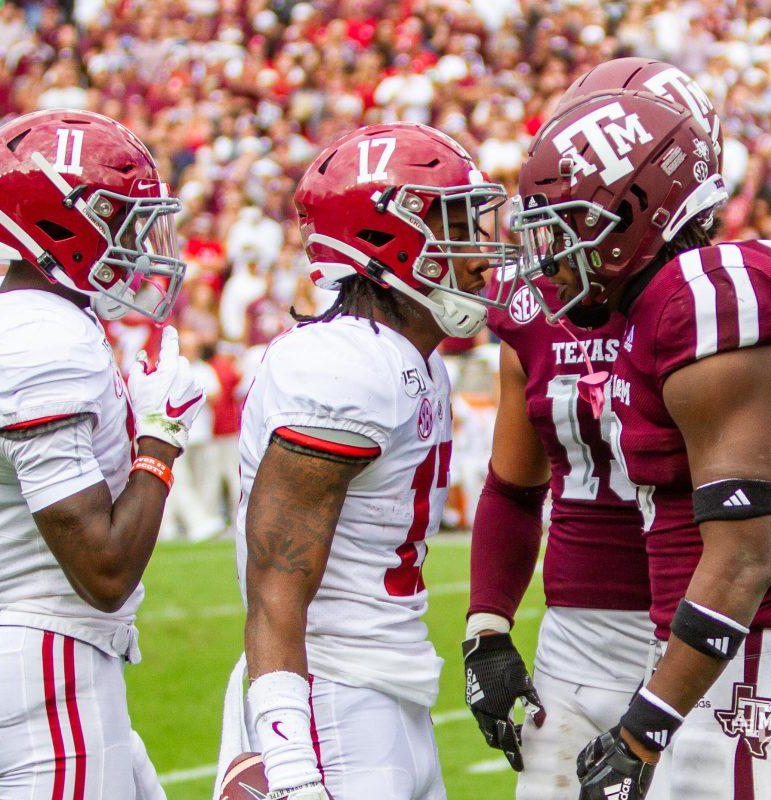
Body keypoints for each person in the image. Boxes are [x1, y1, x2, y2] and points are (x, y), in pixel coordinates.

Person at [510, 87, 771, 800]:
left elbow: (744, 562)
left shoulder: (702, 304)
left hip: (753, 669)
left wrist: (640, 732)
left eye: (565, 228)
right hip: (747, 656)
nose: (550, 257)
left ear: (631, 212)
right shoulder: (683, 298)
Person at [0, 109, 206, 798]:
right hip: (43, 656)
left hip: (33, 651)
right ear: (59, 223)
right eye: (119, 216)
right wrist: (159, 439)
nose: (137, 237)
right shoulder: (37, 341)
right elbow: (103, 569)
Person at [228, 122, 519, 800]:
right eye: (454, 228)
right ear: (388, 240)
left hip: (386, 694)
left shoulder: (408, 358)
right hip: (331, 700)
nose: (480, 256)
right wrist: (292, 764)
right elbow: (274, 584)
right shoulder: (342, 366)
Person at [462, 59, 709, 800]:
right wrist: (488, 625)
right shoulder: (539, 307)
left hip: (701, 632)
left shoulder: (722, 300)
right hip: (575, 639)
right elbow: (512, 487)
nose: (563, 227)